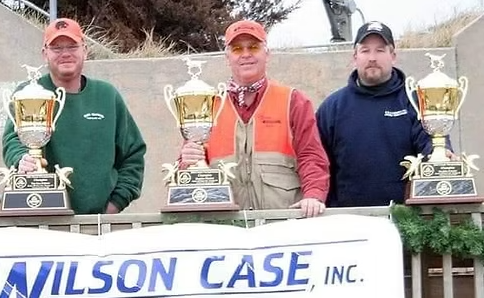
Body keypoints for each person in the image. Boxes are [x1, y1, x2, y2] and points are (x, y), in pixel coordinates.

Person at [178, 20, 330, 217]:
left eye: (254, 47)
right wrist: (187, 160)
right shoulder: (208, 104)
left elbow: (311, 156)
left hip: (282, 224)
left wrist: (314, 195)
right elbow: (190, 169)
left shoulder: (293, 100)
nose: (246, 54)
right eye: (237, 48)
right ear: (227, 57)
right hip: (225, 225)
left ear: (267, 54)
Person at [1, 17, 147, 214]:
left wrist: (116, 203)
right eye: (56, 48)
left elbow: (133, 154)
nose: (65, 54)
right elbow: (13, 140)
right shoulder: (28, 93)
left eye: (72, 46)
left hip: (98, 223)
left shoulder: (107, 96)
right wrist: (22, 159)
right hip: (42, 217)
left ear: (85, 50)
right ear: (45, 54)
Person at [316, 21, 449, 207]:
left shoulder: (416, 101)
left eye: (380, 50)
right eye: (365, 50)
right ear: (354, 57)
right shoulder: (332, 108)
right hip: (347, 219)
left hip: (408, 219)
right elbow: (316, 162)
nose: (372, 58)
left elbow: (431, 146)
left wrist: (444, 157)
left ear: (393, 56)